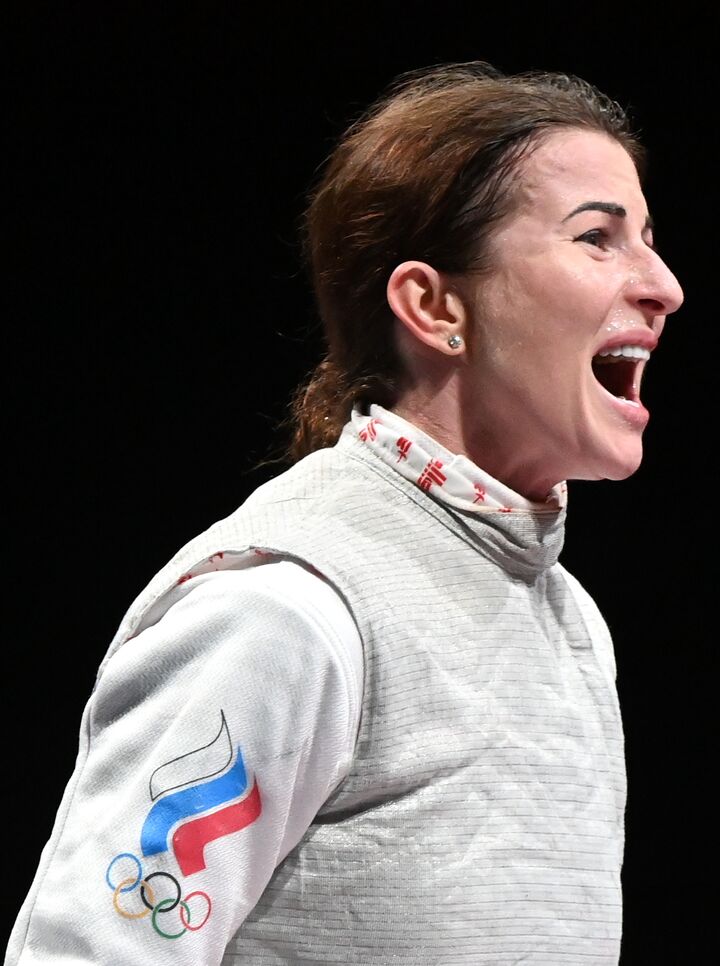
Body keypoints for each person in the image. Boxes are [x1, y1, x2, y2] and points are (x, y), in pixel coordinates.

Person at [6, 61, 683, 964]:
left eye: (647, 238)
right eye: (598, 239)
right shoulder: (288, 608)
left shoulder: (571, 624)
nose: (663, 285)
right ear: (436, 305)